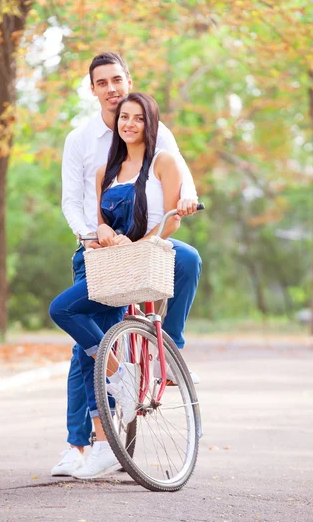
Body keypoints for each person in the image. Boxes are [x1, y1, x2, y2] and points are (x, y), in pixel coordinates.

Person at [51, 52, 201, 478]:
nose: (113, 89)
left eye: (118, 79)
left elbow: (180, 177)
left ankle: (168, 347)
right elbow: (71, 200)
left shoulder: (158, 134)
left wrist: (186, 199)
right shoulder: (82, 143)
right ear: (93, 88)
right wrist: (91, 234)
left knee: (188, 257)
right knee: (86, 341)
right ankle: (79, 443)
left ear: (128, 80)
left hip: (144, 246)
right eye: (103, 82)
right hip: (98, 248)